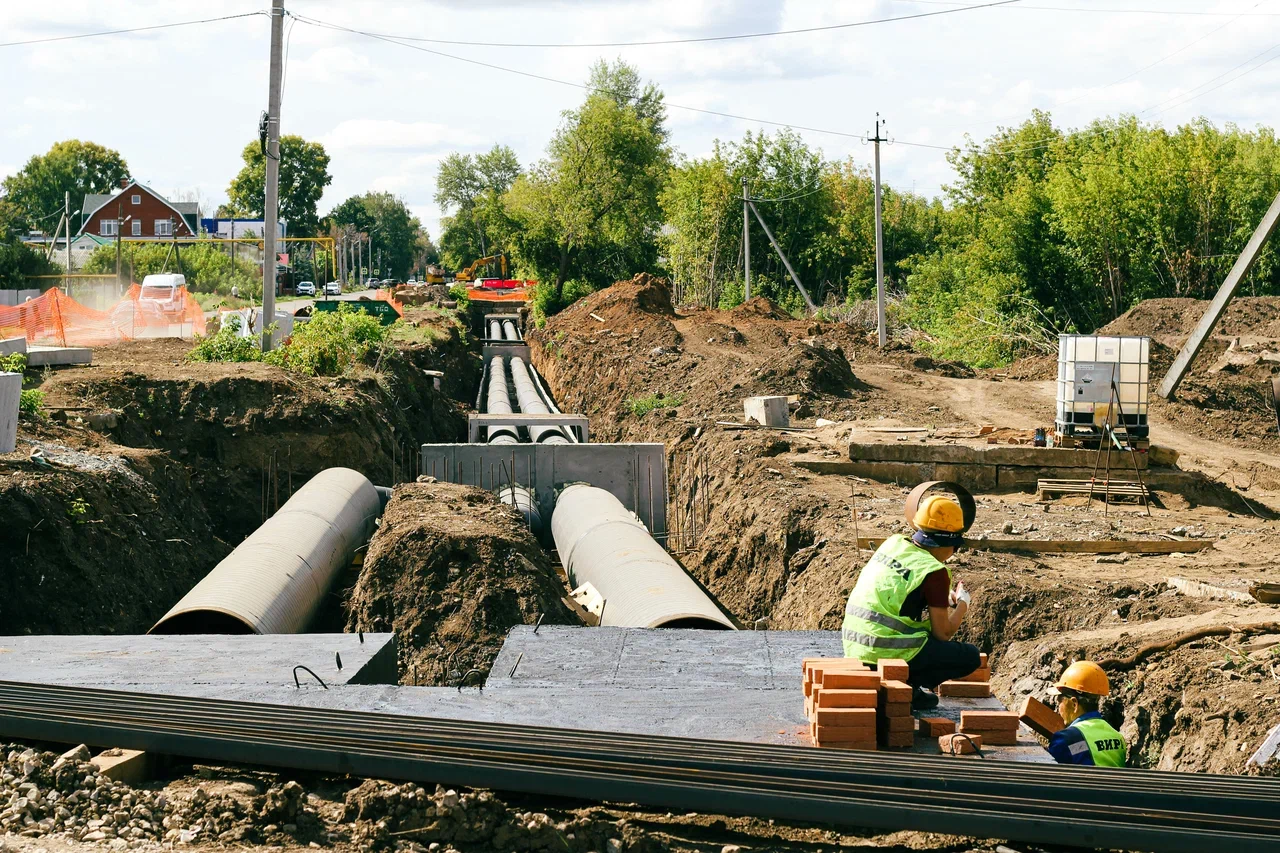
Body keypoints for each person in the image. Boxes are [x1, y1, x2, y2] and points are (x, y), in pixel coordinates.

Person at [842, 494, 982, 710]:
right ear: (947, 542)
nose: (954, 554)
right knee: (970, 657)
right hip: (886, 653)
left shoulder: (893, 544)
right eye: (956, 547)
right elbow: (942, 633)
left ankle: (897, 685)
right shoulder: (935, 571)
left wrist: (941, 598)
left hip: (855, 648)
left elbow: (899, 588)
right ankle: (907, 687)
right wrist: (963, 603)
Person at [1047, 661, 1127, 767]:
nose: (1058, 708)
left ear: (1074, 704)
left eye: (1060, 700)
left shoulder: (1065, 739)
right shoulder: (1117, 737)